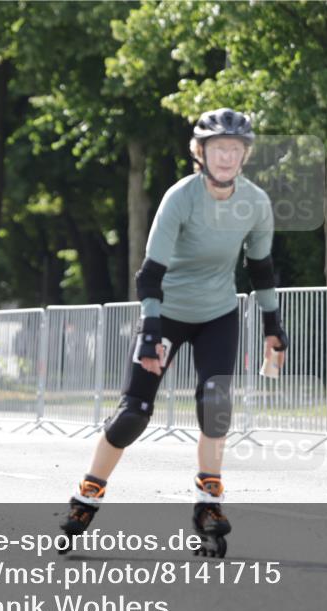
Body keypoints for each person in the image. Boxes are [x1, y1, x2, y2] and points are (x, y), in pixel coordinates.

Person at [60, 108, 289, 557]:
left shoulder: (256, 202)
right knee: (133, 415)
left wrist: (272, 326)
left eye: (236, 149)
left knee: (215, 405)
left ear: (245, 156)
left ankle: (209, 503)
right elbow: (150, 272)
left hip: (218, 314)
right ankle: (88, 494)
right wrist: (149, 330)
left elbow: (261, 269)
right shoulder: (180, 198)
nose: (227, 157)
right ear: (199, 153)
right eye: (218, 148)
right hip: (165, 313)